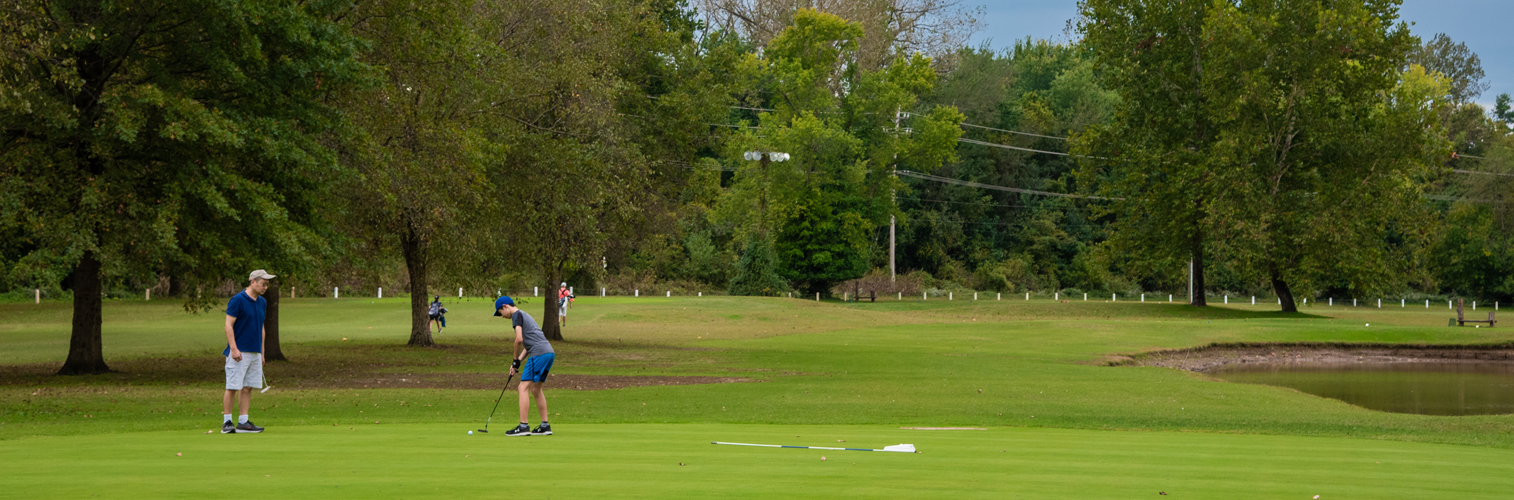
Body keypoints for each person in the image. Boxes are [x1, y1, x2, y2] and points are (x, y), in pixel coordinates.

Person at [494, 296, 554, 436]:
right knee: (535, 389)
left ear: (505, 306)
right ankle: (545, 426)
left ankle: (523, 426)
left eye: (500, 312)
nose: (501, 316)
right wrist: (518, 362)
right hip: (548, 353)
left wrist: (514, 358)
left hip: (539, 353)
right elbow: (529, 344)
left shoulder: (516, 315)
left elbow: (519, 340)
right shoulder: (525, 315)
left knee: (522, 387)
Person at [222, 270, 273, 434]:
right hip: (239, 351)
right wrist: (234, 348)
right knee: (232, 386)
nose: (265, 287)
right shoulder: (237, 300)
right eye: (263, 283)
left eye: (267, 284)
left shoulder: (262, 302)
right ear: (253, 281)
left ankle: (243, 422)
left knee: (248, 387)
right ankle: (227, 422)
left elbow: (261, 328)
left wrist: (262, 352)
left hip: (255, 351)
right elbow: (228, 326)